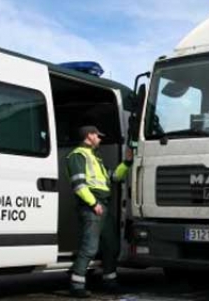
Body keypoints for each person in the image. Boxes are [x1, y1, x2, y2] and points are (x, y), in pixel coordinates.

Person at [67, 125, 133, 298]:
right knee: (90, 247)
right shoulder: (77, 155)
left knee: (111, 246)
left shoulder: (95, 157)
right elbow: (79, 186)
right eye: (98, 136)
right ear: (89, 136)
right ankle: (76, 284)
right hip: (92, 206)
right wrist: (93, 203)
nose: (100, 139)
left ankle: (109, 281)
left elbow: (114, 177)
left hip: (103, 205)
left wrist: (126, 163)